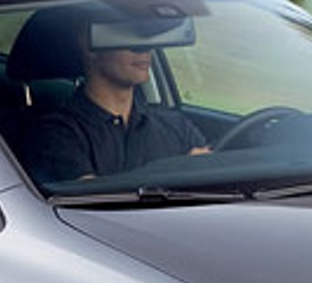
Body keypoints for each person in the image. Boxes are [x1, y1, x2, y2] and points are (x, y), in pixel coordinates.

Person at [15, 17, 207, 186]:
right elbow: (91, 203)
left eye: (147, 36)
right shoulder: (56, 134)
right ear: (88, 45)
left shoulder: (176, 126)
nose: (145, 47)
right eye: (128, 36)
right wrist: (178, 170)